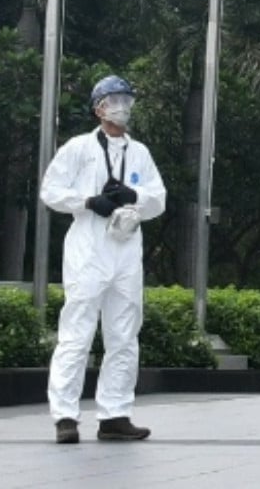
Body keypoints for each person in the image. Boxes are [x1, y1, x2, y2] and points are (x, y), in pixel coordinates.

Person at [39, 72, 166, 443]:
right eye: (114, 101)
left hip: (125, 248)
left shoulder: (138, 151)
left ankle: (115, 413)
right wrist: (87, 202)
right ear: (98, 108)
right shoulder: (78, 148)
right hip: (88, 248)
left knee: (124, 333)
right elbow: (51, 190)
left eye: (127, 100)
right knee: (77, 331)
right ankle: (65, 415)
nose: (122, 108)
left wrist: (133, 197)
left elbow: (158, 198)